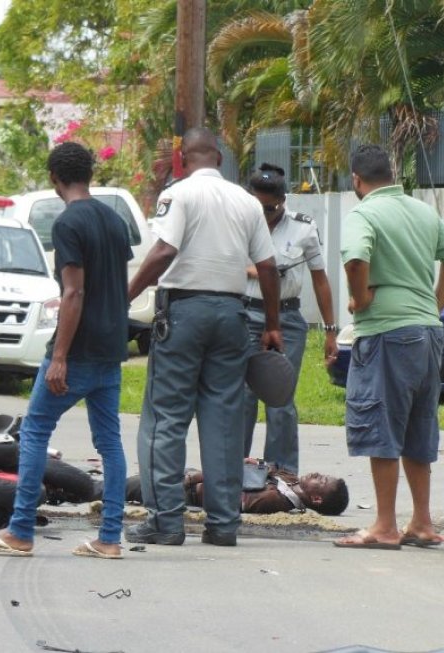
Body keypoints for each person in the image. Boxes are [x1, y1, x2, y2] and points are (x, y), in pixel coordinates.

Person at [0, 141, 131, 559]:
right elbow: (111, 284)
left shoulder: (68, 223)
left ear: (55, 178)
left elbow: (74, 292)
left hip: (77, 351)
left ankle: (20, 530)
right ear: (89, 174)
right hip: (111, 348)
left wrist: (59, 356)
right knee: (109, 443)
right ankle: (109, 539)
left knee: (36, 431)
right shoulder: (114, 221)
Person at [124, 127, 283, 548]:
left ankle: (166, 521)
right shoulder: (247, 202)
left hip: (184, 312)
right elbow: (268, 268)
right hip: (232, 314)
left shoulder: (179, 194)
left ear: (183, 158)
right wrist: (271, 324)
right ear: (219, 157)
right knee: (224, 419)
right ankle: (224, 524)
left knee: (166, 417)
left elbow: (163, 251)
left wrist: (126, 294)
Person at [335, 144, 444, 550]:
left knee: (381, 422)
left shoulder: (363, 213)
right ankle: (422, 522)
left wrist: (359, 299)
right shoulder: (421, 210)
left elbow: (356, 260)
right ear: (392, 174)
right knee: (417, 424)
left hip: (387, 332)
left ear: (357, 180)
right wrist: (435, 304)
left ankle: (385, 526)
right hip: (428, 332)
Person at [242, 162, 338, 474]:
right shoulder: (239, 221)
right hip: (246, 313)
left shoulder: (303, 227)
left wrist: (330, 330)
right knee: (242, 397)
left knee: (279, 399)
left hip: (286, 318)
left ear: (283, 201)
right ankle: (232, 473)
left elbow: (320, 279)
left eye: (270, 208)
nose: (264, 214)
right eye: (257, 206)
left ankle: (280, 476)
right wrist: (255, 271)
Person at [125, 463, 350, 516]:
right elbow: (266, 468)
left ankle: (91, 488)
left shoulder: (276, 500)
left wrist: (193, 479)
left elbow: (232, 496)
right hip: (194, 478)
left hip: (190, 489)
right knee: (139, 478)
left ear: (317, 499)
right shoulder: (291, 481)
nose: (316, 474)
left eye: (320, 480)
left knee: (125, 487)